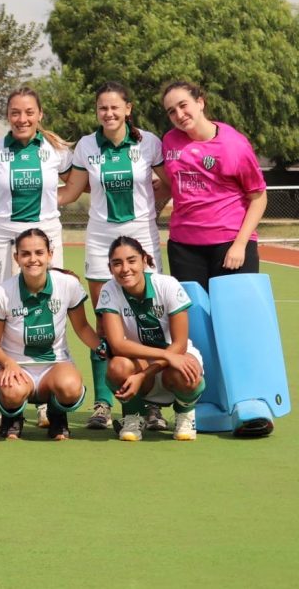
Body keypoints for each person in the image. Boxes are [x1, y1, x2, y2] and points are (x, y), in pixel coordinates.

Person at [58, 81, 167, 431]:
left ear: (128, 109)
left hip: (142, 238)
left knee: (148, 321)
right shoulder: (87, 145)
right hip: (100, 240)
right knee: (106, 325)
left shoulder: (149, 142)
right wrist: (25, 196)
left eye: (115, 107)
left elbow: (169, 182)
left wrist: (153, 209)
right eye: (102, 108)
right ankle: (104, 403)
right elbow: (71, 191)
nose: (108, 113)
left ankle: (151, 405)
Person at [0, 86, 73, 429]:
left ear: (40, 114)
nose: (22, 118)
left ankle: (47, 397)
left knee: (51, 307)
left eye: (29, 112)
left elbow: (78, 185)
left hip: (47, 233)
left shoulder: (56, 150)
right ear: (7, 116)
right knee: (6, 309)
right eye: (15, 112)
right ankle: (9, 399)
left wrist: (53, 202)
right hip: (5, 236)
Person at [0, 229, 105, 440]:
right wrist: (8, 363)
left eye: (39, 253)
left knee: (71, 388)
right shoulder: (2, 293)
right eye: (26, 254)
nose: (33, 259)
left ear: (50, 254)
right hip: (15, 366)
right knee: (11, 392)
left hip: (54, 365)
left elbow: (83, 327)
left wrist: (103, 348)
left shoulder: (67, 284)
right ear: (16, 258)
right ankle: (12, 416)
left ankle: (56, 415)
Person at [97, 236, 206, 441]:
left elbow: (180, 344)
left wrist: (146, 373)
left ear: (144, 261)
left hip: (174, 358)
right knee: (118, 367)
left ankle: (185, 414)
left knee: (186, 370)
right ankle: (133, 416)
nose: (125, 269)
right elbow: (117, 345)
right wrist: (160, 359)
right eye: (117, 263)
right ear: (110, 267)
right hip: (144, 360)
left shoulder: (167, 285)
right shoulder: (109, 290)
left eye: (131, 261)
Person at [160, 80, 267, 290]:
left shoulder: (234, 144)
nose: (179, 115)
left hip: (229, 244)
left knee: (232, 311)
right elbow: (173, 182)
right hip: (184, 247)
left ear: (200, 102)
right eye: (171, 111)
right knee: (193, 312)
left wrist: (240, 245)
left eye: (183, 105)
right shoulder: (169, 141)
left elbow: (258, 197)